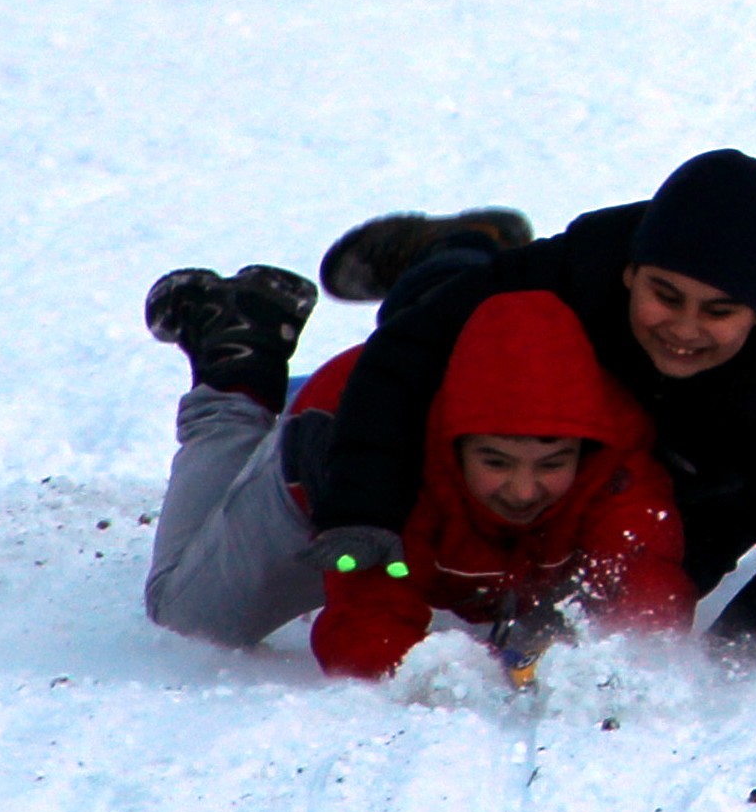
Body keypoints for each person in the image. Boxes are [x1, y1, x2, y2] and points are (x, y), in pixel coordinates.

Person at [310, 150, 756, 656]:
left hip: (701, 466)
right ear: (631, 272)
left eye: (718, 311)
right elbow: (410, 351)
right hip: (578, 390)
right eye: (666, 295)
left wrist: (720, 664)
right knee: (450, 310)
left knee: (650, 576)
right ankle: (455, 247)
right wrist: (364, 507)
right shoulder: (578, 269)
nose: (685, 327)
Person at [142, 262, 694, 680]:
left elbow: (644, 575)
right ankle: (238, 362)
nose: (525, 490)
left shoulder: (617, 464)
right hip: (322, 451)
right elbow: (370, 616)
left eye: (552, 464)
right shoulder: (385, 473)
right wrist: (456, 675)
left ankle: (458, 255)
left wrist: (619, 655)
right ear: (454, 445)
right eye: (496, 462)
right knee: (190, 614)